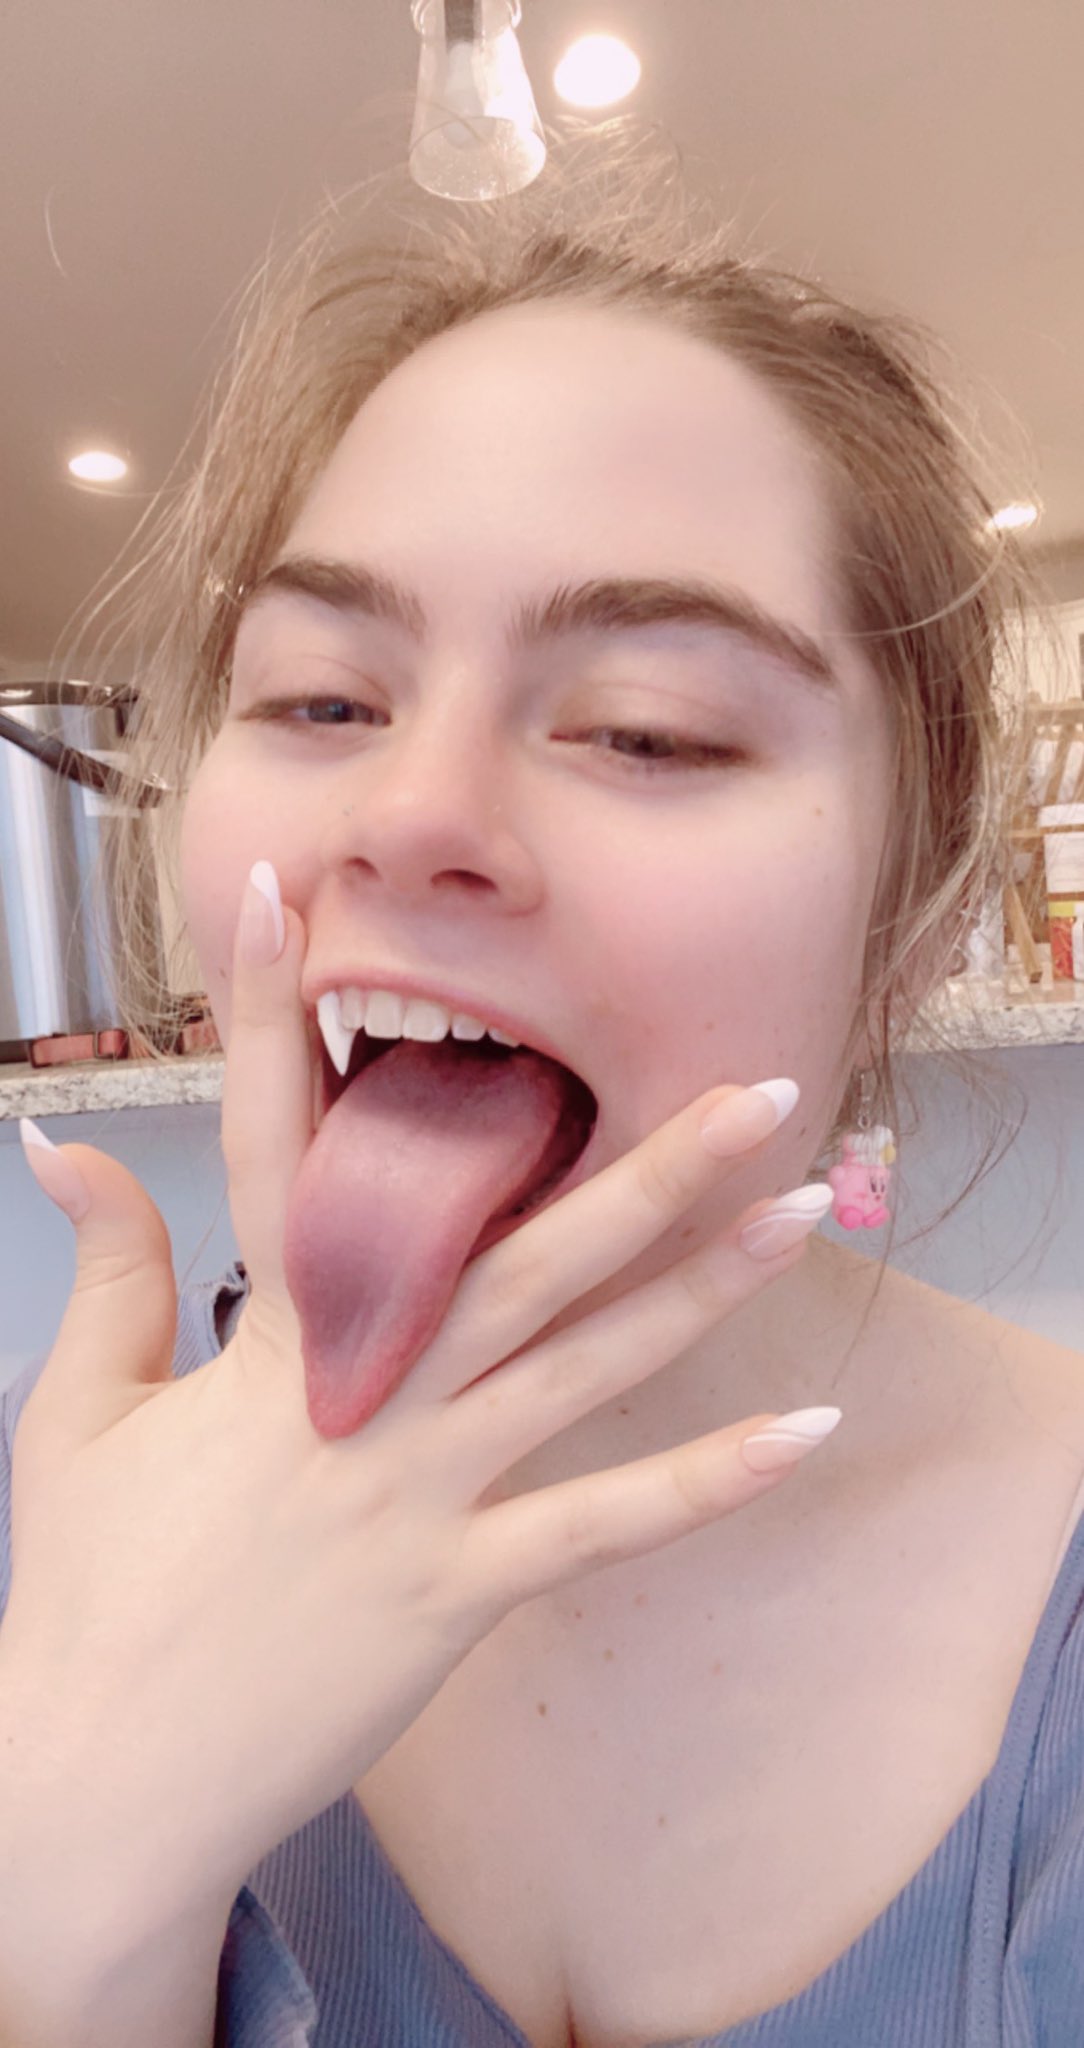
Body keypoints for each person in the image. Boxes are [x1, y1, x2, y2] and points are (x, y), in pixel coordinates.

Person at [1, 122, 1082, 2048]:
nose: (409, 812)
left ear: (915, 908)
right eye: (322, 698)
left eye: (649, 731)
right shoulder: (52, 1529)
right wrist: (71, 1903)